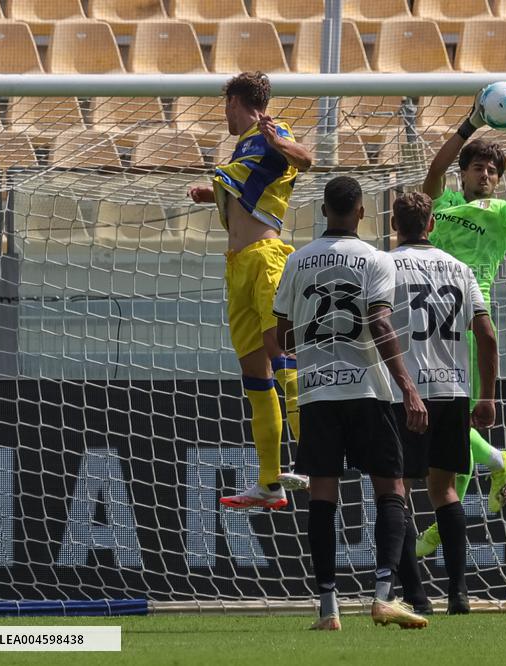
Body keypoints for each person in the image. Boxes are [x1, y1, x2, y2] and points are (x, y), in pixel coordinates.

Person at [272, 176, 429, 631]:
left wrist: (309, 355)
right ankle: (383, 596)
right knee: (391, 489)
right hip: (369, 391)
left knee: (322, 496)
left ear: (324, 210)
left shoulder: (296, 260)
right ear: (362, 212)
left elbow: (278, 335)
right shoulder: (377, 259)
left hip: (318, 393)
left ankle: (328, 609)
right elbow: (379, 322)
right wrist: (408, 388)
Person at [413, 89, 506, 557]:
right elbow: (432, 172)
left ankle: (442, 526)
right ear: (464, 174)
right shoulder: (441, 203)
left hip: (468, 317)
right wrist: (470, 123)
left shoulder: (502, 216)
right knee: (445, 419)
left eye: (492, 171)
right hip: (428, 317)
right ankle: (496, 460)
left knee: (447, 417)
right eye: (478, 168)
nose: (485, 175)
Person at [187, 71, 313, 510]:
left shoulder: (271, 130)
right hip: (237, 266)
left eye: (226, 105)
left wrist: (279, 141)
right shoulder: (245, 148)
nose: (224, 113)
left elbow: (306, 159)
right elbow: (254, 190)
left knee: (284, 364)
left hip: (266, 261)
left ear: (237, 101)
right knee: (256, 380)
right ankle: (269, 483)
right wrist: (214, 196)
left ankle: (315, 463)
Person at [387, 192, 499, 615]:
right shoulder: (460, 268)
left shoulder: (386, 265)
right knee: (445, 490)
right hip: (452, 391)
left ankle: (416, 596)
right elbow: (486, 335)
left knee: (395, 490)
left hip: (404, 394)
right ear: (432, 224)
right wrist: (486, 396)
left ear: (396, 225)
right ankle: (458, 592)